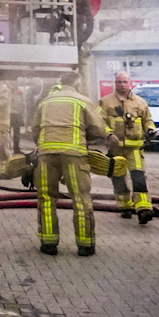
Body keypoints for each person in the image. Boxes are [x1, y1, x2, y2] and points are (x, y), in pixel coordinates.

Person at [31, 75, 111, 256]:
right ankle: (85, 245)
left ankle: (48, 243)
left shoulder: (46, 101)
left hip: (46, 154)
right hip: (74, 155)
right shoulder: (82, 100)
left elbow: (35, 130)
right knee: (80, 198)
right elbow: (98, 129)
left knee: (46, 197)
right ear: (76, 84)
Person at [98, 72, 154, 224]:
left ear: (130, 82)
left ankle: (143, 208)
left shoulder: (140, 102)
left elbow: (147, 120)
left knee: (138, 177)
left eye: (124, 82)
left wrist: (150, 129)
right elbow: (100, 122)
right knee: (118, 178)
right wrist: (109, 135)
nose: (122, 85)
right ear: (114, 83)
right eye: (119, 82)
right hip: (115, 148)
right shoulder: (106, 102)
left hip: (135, 148)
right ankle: (125, 206)